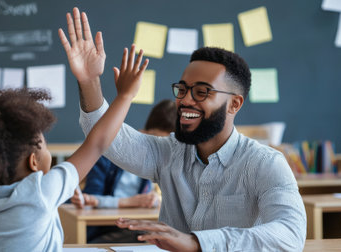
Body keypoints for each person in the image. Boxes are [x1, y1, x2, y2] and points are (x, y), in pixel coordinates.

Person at [59, 7, 307, 252]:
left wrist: (197, 243)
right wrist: (89, 81)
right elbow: (108, 138)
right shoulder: (168, 153)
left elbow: (290, 234)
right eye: (182, 89)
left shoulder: (265, 163)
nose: (186, 100)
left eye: (202, 92)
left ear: (234, 104)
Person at [0, 42, 149, 251]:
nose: (48, 149)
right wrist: (125, 96)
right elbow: (97, 143)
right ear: (33, 161)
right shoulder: (40, 193)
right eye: (44, 143)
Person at [70, 99, 177, 243]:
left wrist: (155, 200)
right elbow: (91, 198)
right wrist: (129, 202)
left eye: (165, 148)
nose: (158, 152)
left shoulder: (165, 163)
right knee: (144, 238)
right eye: (156, 143)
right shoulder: (106, 157)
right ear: (142, 134)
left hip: (133, 226)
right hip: (103, 229)